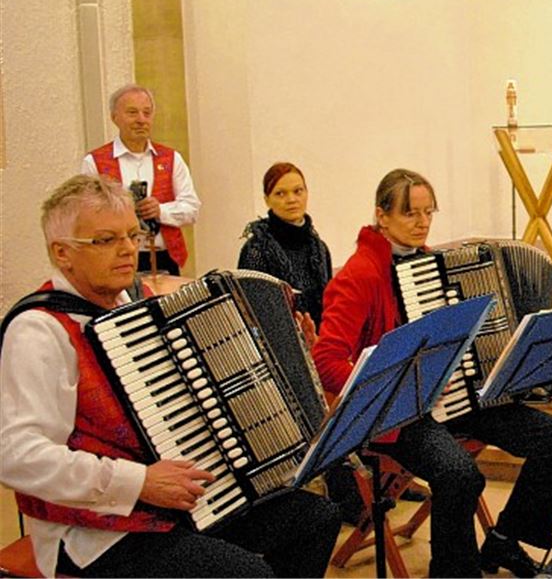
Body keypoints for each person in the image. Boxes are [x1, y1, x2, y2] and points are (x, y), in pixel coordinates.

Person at [0, 175, 340, 578]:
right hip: (92, 530)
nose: (128, 249)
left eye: (132, 234)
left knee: (315, 519)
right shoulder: (40, 331)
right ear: (63, 253)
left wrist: (290, 350)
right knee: (246, 574)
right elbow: (15, 456)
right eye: (106, 240)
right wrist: (137, 481)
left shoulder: (141, 311)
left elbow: (212, 381)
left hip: (179, 502)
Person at [311, 168, 552, 578]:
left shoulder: (431, 267)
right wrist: (401, 387)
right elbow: (326, 360)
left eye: (428, 212)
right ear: (382, 216)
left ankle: (504, 540)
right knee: (458, 474)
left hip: (454, 397)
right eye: (410, 214)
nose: (422, 223)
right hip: (397, 413)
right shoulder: (360, 275)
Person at [80, 84, 201, 276]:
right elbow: (88, 215)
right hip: (116, 258)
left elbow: (192, 208)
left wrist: (160, 210)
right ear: (114, 117)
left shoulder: (171, 159)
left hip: (164, 258)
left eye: (147, 113)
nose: (141, 120)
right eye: (132, 113)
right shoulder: (95, 162)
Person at [238, 162, 333, 331]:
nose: (291, 200)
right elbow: (252, 315)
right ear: (267, 200)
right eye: (280, 193)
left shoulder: (319, 248)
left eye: (298, 191)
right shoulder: (256, 250)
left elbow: (330, 305)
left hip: (320, 341)